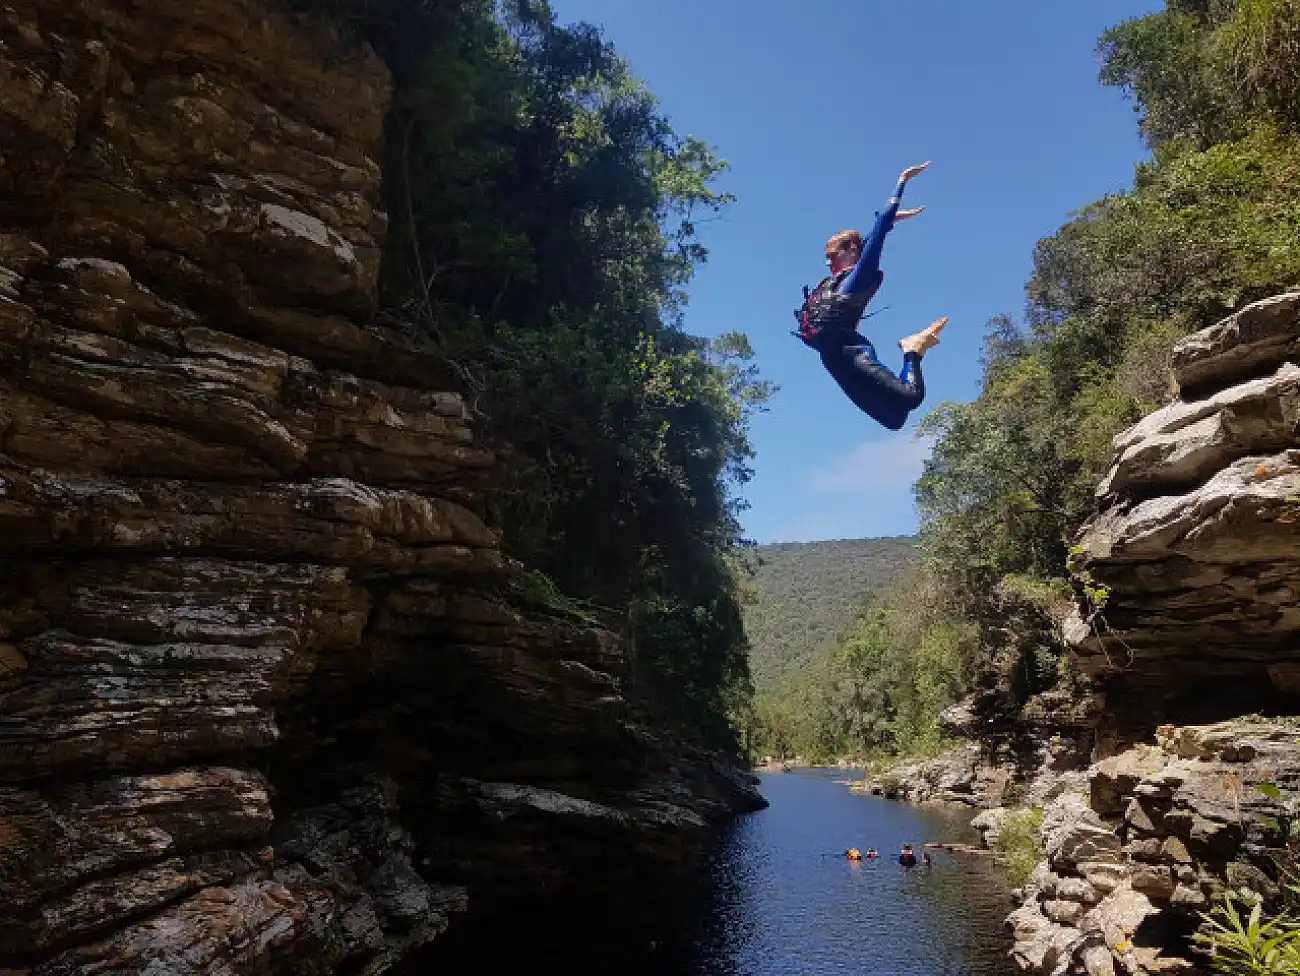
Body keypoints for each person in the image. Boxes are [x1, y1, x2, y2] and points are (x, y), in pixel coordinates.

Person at [794, 161, 948, 431]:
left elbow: (874, 239)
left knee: (911, 396)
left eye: (833, 257)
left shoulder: (858, 277)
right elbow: (872, 234)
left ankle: (913, 349)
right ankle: (912, 349)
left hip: (850, 352)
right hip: (832, 358)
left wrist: (901, 182)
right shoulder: (834, 283)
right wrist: (887, 223)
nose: (829, 264)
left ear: (851, 250)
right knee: (894, 419)